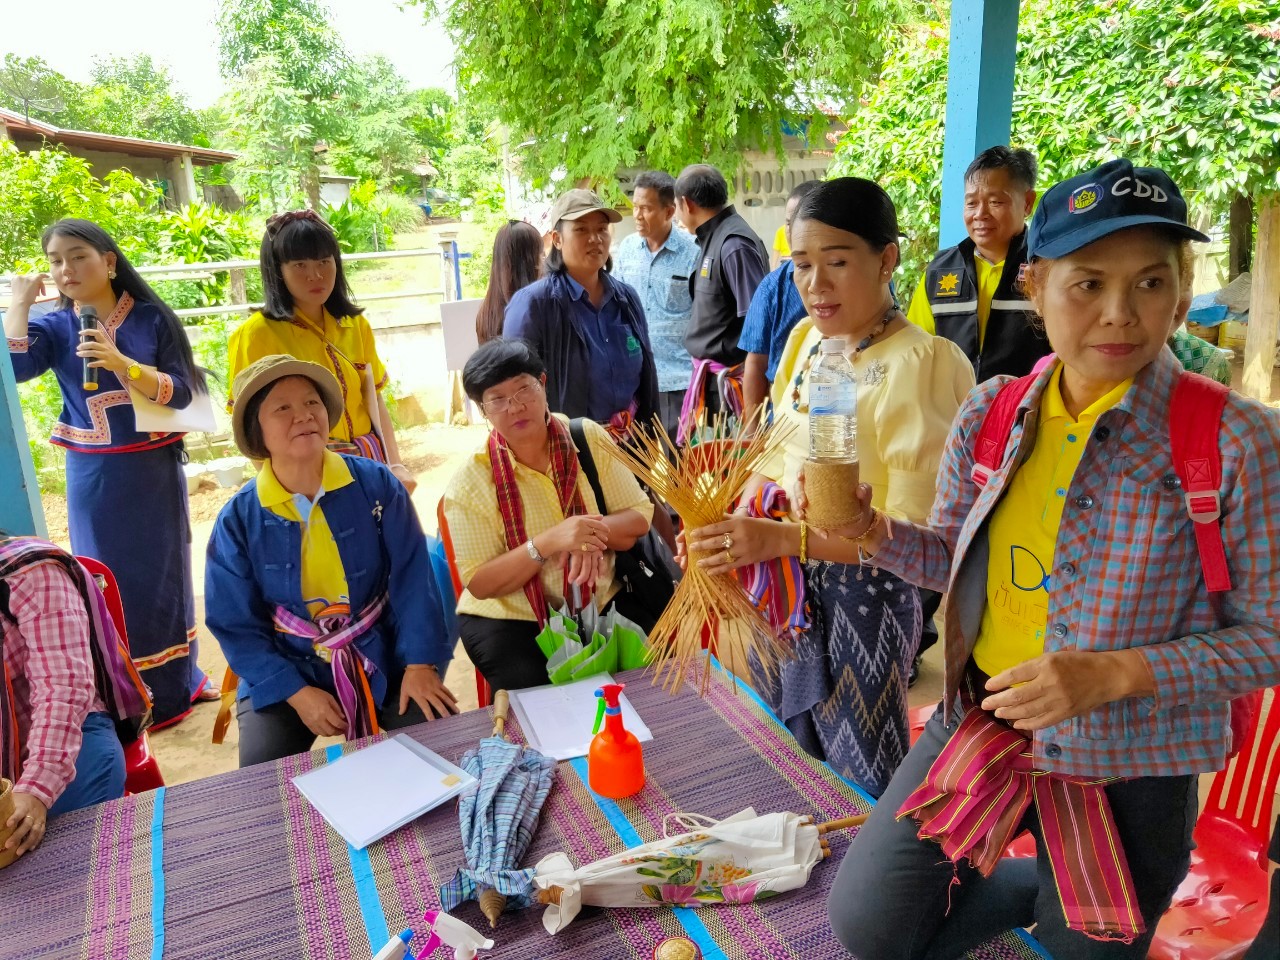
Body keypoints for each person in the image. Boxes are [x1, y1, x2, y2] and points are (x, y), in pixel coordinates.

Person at [825, 159, 1280, 959]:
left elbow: (1269, 637)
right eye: (1087, 283)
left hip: (1132, 761)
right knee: (870, 925)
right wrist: (872, 530)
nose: (1120, 314)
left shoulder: (1234, 441)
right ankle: (1037, 888)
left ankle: (1064, 905)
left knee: (1087, 953)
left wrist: (1112, 674)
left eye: (1150, 283)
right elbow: (954, 561)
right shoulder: (993, 414)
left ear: (1181, 286)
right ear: (1034, 286)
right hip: (985, 719)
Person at [684, 178, 974, 797]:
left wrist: (778, 540)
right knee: (788, 763)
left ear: (887, 258)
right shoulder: (806, 341)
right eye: (802, 265)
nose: (815, 285)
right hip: (781, 594)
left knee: (861, 772)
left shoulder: (923, 365)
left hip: (862, 600)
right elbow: (770, 454)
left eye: (837, 263)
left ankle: (874, 890)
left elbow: (921, 545)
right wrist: (722, 530)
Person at [5, 218, 215, 727]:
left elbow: (184, 393)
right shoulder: (55, 326)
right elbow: (13, 368)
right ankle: (126, 694)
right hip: (94, 479)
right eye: (56, 261)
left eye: (78, 256)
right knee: (106, 582)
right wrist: (17, 302)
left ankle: (176, 685)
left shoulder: (151, 319)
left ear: (109, 262)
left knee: (163, 578)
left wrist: (125, 365)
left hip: (153, 471)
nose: (66, 269)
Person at [205, 356, 456, 767]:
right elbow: (235, 625)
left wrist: (419, 663)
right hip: (288, 666)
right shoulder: (238, 519)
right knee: (264, 782)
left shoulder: (376, 486)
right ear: (258, 429)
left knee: (439, 756)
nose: (303, 416)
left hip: (383, 655)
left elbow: (414, 579)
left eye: (312, 403)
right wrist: (297, 693)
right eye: (282, 408)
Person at [441, 339, 654, 693]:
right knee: (538, 698)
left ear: (543, 383)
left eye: (524, 389)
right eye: (497, 399)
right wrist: (549, 541)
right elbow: (480, 582)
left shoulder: (586, 438)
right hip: (514, 615)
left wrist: (586, 533)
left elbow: (637, 519)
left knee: (653, 680)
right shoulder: (471, 481)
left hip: (603, 595)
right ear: (483, 410)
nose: (515, 407)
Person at [227, 210, 416, 492]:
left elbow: (373, 398)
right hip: (305, 471)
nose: (315, 275)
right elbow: (248, 421)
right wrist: (281, 490)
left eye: (324, 262)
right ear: (277, 270)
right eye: (300, 265)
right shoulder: (257, 335)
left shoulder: (355, 325)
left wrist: (395, 464)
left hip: (370, 462)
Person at [1, 535, 150, 858]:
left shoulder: (27, 573)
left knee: (57, 862)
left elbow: (63, 688)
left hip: (64, 737)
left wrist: (36, 790)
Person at [503, 189, 660, 437]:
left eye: (601, 229)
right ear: (556, 239)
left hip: (632, 449)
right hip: (570, 452)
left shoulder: (626, 298)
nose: (595, 238)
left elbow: (647, 377)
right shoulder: (533, 304)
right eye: (581, 229)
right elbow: (514, 390)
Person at [907, 146, 1048, 381]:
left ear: (1027, 203)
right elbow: (915, 348)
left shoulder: (1047, 267)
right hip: (954, 412)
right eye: (971, 203)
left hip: (1025, 410)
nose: (980, 214)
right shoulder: (941, 270)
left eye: (995, 202)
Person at [674, 164, 769, 438]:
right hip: (712, 387)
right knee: (709, 477)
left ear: (687, 204)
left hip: (732, 391)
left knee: (730, 476)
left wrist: (752, 413)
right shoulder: (711, 239)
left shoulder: (734, 245)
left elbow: (758, 328)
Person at [613, 171, 701, 437]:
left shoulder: (694, 253)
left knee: (679, 469)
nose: (638, 215)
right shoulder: (626, 250)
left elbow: (703, 315)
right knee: (636, 467)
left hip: (678, 381)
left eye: (647, 208)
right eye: (636, 207)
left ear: (669, 211)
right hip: (634, 380)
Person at [738, 178, 823, 423]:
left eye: (802, 221)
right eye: (788, 222)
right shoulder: (771, 288)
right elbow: (755, 362)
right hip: (783, 418)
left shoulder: (857, 282)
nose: (792, 231)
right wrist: (752, 432)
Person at [475, 220, 542, 345]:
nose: (544, 262)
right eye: (541, 255)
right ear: (528, 263)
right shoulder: (528, 313)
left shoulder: (486, 311)